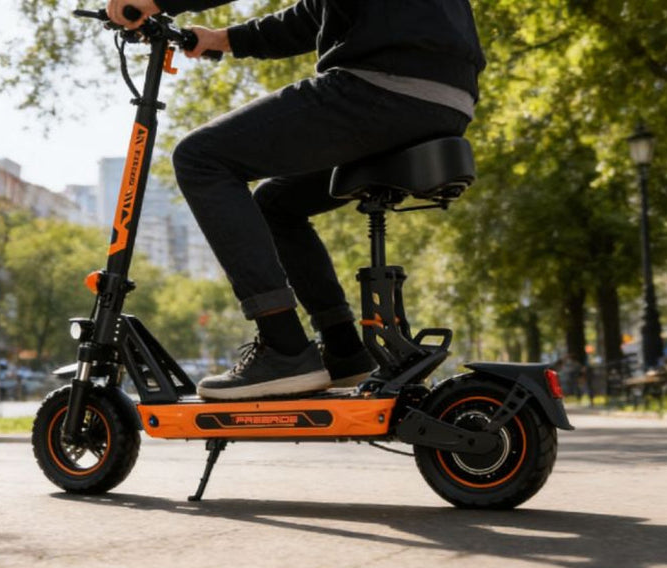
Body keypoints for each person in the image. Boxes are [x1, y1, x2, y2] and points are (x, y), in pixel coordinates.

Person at [107, 0, 486, 400]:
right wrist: (222, 39)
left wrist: (154, 2)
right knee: (276, 204)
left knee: (200, 158)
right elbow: (313, 17)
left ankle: (283, 346)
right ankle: (344, 348)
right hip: (444, 100)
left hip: (385, 83)